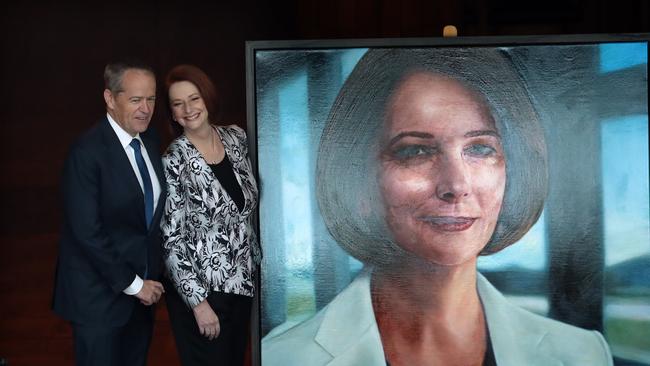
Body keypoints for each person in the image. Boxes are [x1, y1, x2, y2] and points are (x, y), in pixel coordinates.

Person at [262, 48, 614, 365]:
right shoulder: (283, 358)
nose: (456, 186)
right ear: (357, 181)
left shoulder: (581, 354)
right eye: (415, 151)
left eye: (480, 149)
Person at [52, 61, 166, 366]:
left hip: (141, 302)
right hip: (98, 301)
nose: (145, 108)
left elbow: (148, 223)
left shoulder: (151, 141)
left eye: (151, 99)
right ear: (110, 98)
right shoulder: (86, 152)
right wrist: (135, 284)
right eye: (135, 99)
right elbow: (87, 232)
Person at [160, 64, 261, 366]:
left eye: (193, 98)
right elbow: (170, 241)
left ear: (207, 98)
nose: (188, 109)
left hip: (242, 284)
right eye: (178, 104)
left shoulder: (236, 138)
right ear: (173, 114)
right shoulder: (173, 160)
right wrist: (199, 304)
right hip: (203, 294)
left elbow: (247, 212)